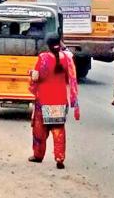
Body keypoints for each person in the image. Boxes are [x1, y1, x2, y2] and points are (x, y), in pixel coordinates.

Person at [28, 34, 80, 169]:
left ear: (48, 45)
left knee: (40, 129)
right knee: (59, 130)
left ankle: (38, 155)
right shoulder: (67, 59)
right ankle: (59, 158)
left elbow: (39, 76)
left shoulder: (43, 58)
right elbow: (70, 79)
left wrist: (32, 75)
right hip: (60, 99)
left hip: (44, 99)